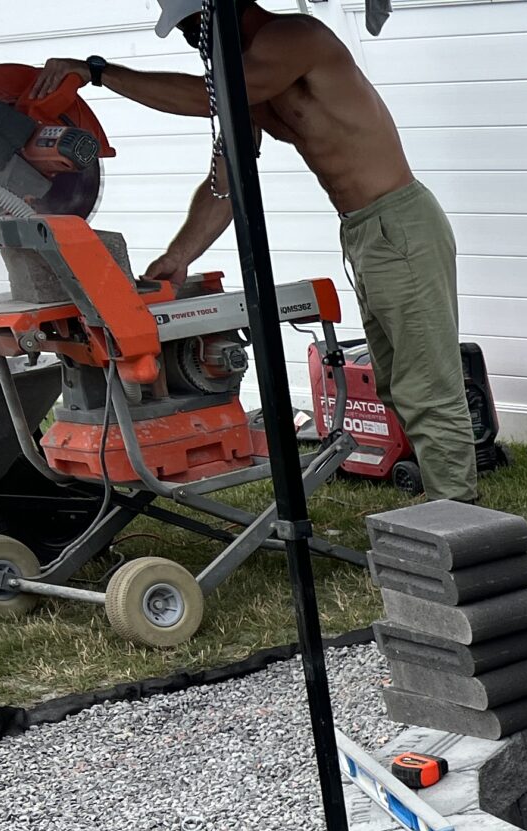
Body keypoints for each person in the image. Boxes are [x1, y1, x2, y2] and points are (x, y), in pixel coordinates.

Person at [33, 0, 477, 500]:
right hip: (363, 231)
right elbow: (226, 182)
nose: (188, 40)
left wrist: (100, 74)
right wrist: (180, 258)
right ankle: (442, 499)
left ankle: (458, 512)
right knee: (397, 381)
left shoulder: (294, 38)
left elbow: (214, 97)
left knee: (427, 386)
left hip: (399, 224)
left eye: (187, 26)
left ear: (217, 9)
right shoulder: (242, 75)